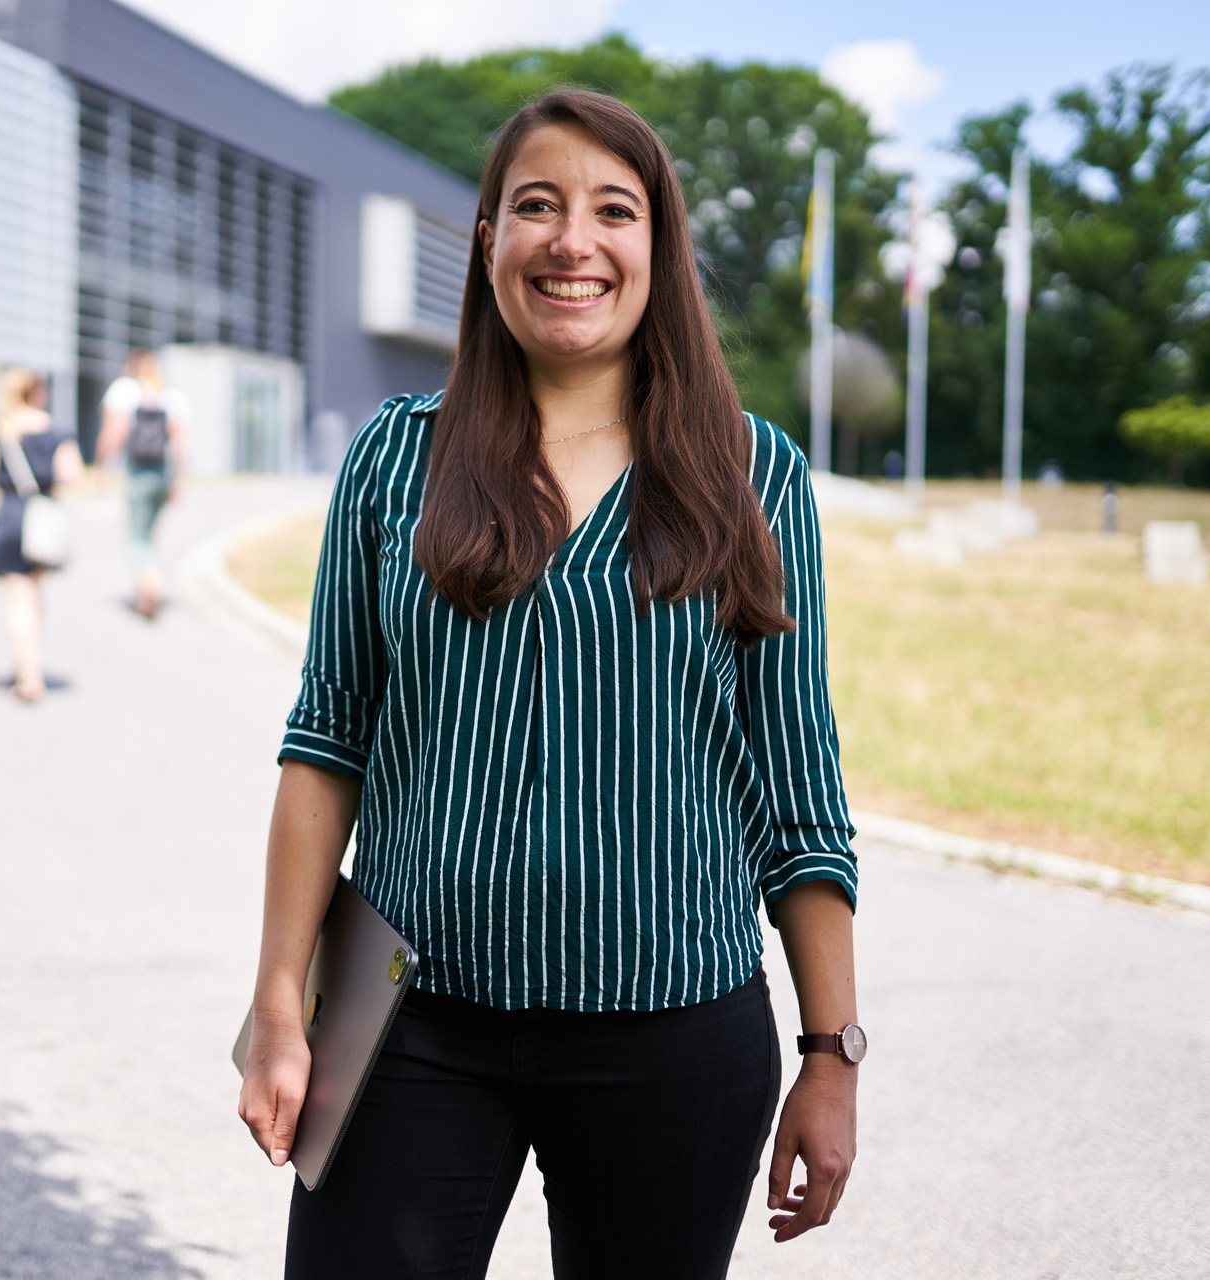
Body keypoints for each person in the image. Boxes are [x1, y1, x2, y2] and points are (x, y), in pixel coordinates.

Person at [236, 90, 863, 1280]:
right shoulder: (392, 456)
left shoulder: (751, 472)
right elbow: (325, 744)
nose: (573, 241)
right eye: (537, 205)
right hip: (409, 1021)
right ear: (488, 240)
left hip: (671, 1035)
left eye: (612, 211)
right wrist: (279, 998)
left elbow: (798, 783)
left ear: (657, 249)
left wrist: (829, 1050)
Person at [0, 367, 82, 704]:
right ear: (38, 392)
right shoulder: (57, 430)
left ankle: (27, 671)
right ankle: (32, 664)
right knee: (33, 593)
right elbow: (72, 474)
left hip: (11, 514)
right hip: (43, 514)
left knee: (17, 598)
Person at [95, 348, 189, 619]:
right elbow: (181, 443)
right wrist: (177, 479)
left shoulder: (125, 390)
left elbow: (115, 431)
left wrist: (102, 465)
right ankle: (149, 582)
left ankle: (151, 581)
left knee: (136, 538)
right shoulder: (171, 395)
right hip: (163, 471)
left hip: (138, 470)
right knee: (149, 534)